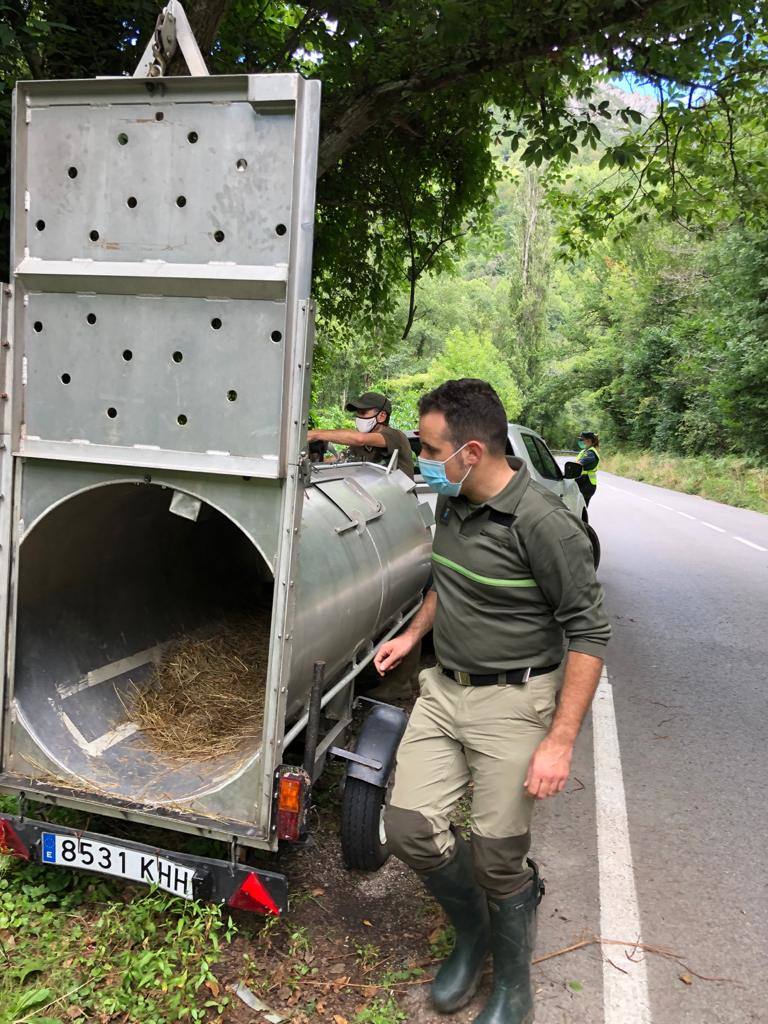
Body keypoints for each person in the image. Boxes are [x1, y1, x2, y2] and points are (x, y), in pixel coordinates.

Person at [373, 379, 610, 1024]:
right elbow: (446, 581)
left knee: (498, 853)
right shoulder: (453, 505)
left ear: (470, 452)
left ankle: (512, 984)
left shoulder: (542, 523)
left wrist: (559, 741)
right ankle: (473, 932)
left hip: (515, 701)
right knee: (409, 828)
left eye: (428, 449)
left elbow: (589, 632)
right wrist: (414, 635)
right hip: (444, 690)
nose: (420, 460)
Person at [306, 392, 414, 478]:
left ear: (381, 416)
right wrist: (314, 460)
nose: (358, 417)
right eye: (357, 413)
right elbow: (338, 459)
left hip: (400, 502)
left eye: (363, 413)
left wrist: (316, 434)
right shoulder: (358, 447)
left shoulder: (395, 436)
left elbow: (360, 438)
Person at [574, 430, 600, 506]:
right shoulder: (585, 451)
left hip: (586, 483)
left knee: (580, 508)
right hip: (583, 481)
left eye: (582, 439)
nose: (580, 441)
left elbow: (578, 464)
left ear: (588, 440)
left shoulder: (591, 453)